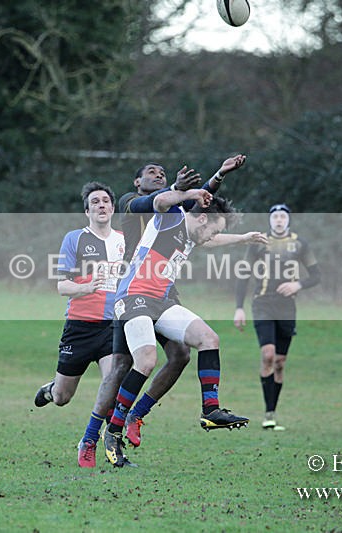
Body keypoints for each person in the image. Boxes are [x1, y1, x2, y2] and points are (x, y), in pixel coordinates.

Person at [113, 156, 265, 450]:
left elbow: (208, 229)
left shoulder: (194, 230)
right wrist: (185, 191)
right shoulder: (170, 217)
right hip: (133, 297)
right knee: (142, 362)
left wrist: (220, 176)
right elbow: (162, 202)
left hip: (161, 300)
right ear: (203, 219)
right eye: (214, 229)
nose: (213, 237)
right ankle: (114, 428)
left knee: (209, 339)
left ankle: (210, 411)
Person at [33, 182, 127, 468]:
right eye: (95, 202)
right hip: (80, 326)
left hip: (113, 325)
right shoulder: (74, 239)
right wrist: (85, 289)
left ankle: (101, 444)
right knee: (63, 397)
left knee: (114, 386)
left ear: (112, 208)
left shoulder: (125, 240)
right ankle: (50, 389)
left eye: (105, 201)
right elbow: (62, 286)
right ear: (87, 211)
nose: (101, 205)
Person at [233, 204, 320, 431]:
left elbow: (316, 275)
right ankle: (267, 414)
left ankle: (271, 412)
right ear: (270, 220)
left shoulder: (300, 244)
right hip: (262, 304)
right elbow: (243, 276)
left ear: (288, 220)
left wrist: (297, 284)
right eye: (275, 217)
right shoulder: (258, 243)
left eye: (282, 216)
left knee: (280, 362)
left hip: (287, 308)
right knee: (268, 355)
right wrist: (239, 308)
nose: (278, 220)